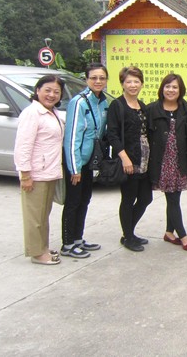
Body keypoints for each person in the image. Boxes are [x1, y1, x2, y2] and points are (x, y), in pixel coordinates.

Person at [14, 75, 65, 265]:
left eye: (56, 92)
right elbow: (23, 146)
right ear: (37, 91)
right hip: (36, 174)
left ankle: (43, 247)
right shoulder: (32, 113)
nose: (51, 95)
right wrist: (25, 175)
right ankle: (36, 253)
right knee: (34, 217)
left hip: (49, 171)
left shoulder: (52, 112)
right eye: (47, 90)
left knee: (43, 214)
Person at [60, 63, 109, 259]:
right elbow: (72, 137)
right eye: (94, 78)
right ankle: (67, 244)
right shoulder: (78, 102)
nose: (98, 81)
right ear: (86, 79)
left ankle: (78, 238)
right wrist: (74, 168)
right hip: (77, 162)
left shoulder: (102, 102)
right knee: (73, 202)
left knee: (84, 200)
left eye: (102, 78)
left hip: (90, 161)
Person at [107, 66, 153, 252]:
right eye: (129, 82)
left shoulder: (142, 105)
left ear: (141, 84)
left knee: (146, 198)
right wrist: (125, 158)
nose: (133, 85)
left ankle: (128, 232)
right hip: (129, 159)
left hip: (145, 158)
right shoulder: (117, 105)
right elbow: (112, 134)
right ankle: (128, 236)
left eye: (136, 81)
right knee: (128, 198)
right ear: (122, 84)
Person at [148, 73, 187, 252]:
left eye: (175, 87)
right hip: (162, 162)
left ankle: (168, 232)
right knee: (172, 199)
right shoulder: (152, 110)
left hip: (180, 161)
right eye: (167, 86)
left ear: (180, 90)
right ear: (162, 88)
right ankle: (183, 235)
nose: (171, 90)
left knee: (174, 198)